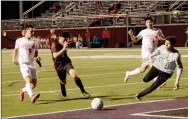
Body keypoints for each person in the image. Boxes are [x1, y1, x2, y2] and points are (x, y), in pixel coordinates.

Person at [135, 36, 183, 101]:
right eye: (165, 42)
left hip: (166, 73)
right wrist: (149, 56)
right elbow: (156, 52)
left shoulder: (176, 55)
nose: (166, 44)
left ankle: (138, 95)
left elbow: (180, 67)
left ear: (173, 45)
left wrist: (177, 80)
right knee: (145, 79)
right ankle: (150, 64)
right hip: (156, 67)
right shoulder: (162, 47)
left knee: (154, 86)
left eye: (168, 43)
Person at [124, 17, 165, 83]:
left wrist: (160, 38)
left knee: (142, 69)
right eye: (147, 22)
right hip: (146, 52)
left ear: (153, 22)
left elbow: (164, 41)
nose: (149, 23)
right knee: (152, 65)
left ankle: (129, 73)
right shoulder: (143, 32)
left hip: (154, 52)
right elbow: (135, 40)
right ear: (145, 23)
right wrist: (131, 35)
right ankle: (157, 80)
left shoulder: (158, 31)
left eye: (150, 22)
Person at [50, 33, 91, 98]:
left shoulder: (63, 42)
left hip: (66, 62)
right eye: (64, 39)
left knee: (74, 76)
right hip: (59, 66)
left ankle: (83, 91)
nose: (65, 41)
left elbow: (65, 50)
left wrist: (64, 48)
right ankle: (62, 85)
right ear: (59, 37)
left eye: (66, 39)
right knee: (63, 81)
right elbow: (54, 56)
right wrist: (63, 49)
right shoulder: (54, 44)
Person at [13, 25, 40, 103]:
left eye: (33, 31)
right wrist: (13, 59)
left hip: (31, 64)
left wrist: (37, 57)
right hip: (23, 63)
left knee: (33, 84)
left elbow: (36, 53)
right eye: (31, 31)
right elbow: (15, 50)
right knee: (28, 79)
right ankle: (32, 96)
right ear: (25, 32)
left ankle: (23, 90)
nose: (33, 33)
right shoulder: (19, 41)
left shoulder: (35, 42)